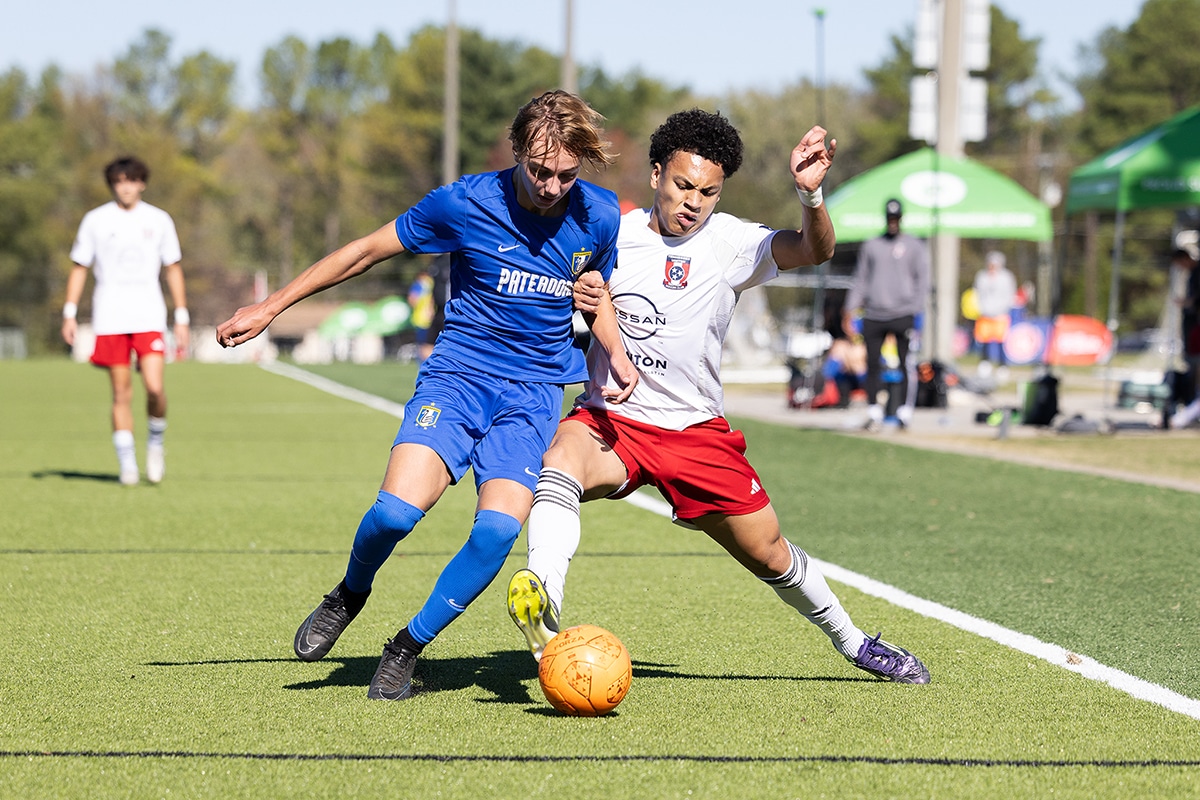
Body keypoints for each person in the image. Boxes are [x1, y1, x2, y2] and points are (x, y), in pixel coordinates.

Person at [216, 90, 637, 700]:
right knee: (394, 513)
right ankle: (349, 594)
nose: (550, 186)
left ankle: (407, 646)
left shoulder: (597, 215)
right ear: (517, 152)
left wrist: (617, 353)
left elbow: (598, 294)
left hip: (535, 394)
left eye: (565, 175)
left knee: (495, 533)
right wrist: (271, 306)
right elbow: (364, 251)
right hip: (459, 377)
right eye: (539, 170)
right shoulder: (464, 202)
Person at [505, 109, 930, 685]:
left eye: (708, 191)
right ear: (656, 174)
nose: (693, 202)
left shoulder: (731, 241)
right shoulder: (614, 234)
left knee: (770, 552)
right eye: (683, 185)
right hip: (615, 418)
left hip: (694, 432)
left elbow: (816, 251)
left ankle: (856, 644)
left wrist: (810, 196)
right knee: (560, 462)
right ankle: (545, 600)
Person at [61, 156, 189, 486]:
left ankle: (156, 442)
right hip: (111, 316)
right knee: (121, 393)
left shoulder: (159, 220)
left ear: (142, 183)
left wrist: (182, 316)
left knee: (155, 387)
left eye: (131, 180)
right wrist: (69, 312)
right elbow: (80, 267)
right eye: (119, 181)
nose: (125, 186)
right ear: (112, 185)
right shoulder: (95, 220)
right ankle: (127, 462)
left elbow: (172, 267)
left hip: (149, 315)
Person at [842, 198, 930, 431]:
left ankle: (904, 412)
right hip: (874, 313)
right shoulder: (872, 245)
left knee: (905, 363)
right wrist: (850, 309)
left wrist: (916, 307)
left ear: (901, 219)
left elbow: (922, 280)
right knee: (872, 364)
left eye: (896, 218)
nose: (893, 223)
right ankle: (874, 411)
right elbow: (860, 279)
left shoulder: (914, 246)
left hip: (903, 312)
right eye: (890, 218)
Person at [972, 250, 1017, 372]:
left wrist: (1002, 309)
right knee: (984, 340)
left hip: (1000, 315)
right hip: (985, 314)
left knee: (1000, 341)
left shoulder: (1006, 277)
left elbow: (1009, 295)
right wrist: (981, 308)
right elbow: (977, 294)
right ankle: (985, 363)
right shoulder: (982, 276)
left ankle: (1003, 365)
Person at [406, 269, 436, 362]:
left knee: (423, 346)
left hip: (422, 320)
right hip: (435, 318)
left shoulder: (420, 285)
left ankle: (424, 367)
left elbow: (412, 300)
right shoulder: (434, 282)